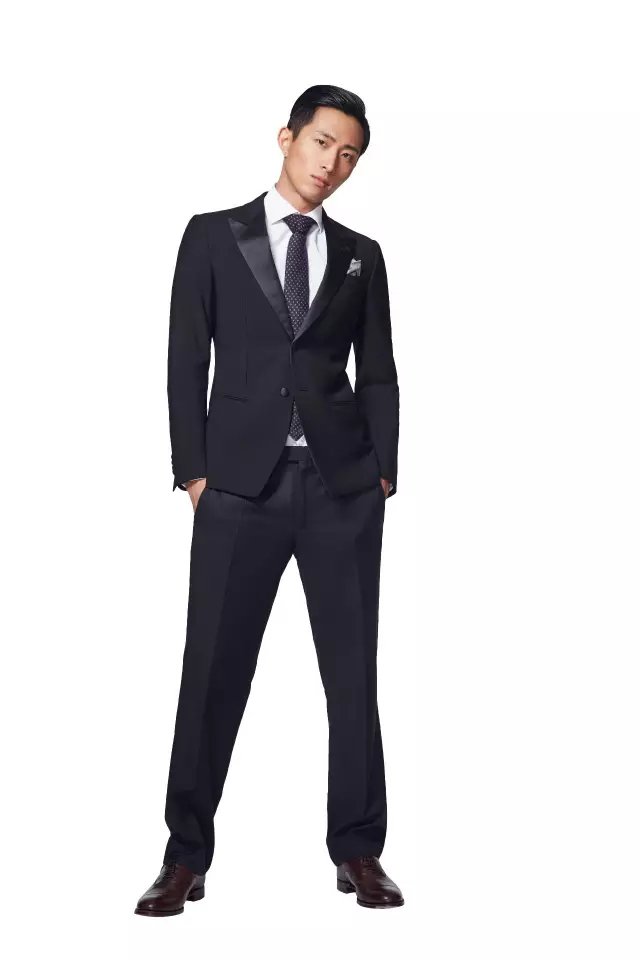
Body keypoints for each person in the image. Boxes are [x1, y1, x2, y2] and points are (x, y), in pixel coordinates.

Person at [135, 84, 403, 916]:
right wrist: (194, 473)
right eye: (323, 143)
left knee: (351, 675)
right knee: (211, 672)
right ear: (287, 137)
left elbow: (379, 371)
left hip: (340, 487)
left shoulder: (362, 254)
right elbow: (187, 358)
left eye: (350, 154)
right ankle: (185, 857)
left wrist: (382, 473)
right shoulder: (213, 235)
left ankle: (358, 849)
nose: (333, 164)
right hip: (238, 488)